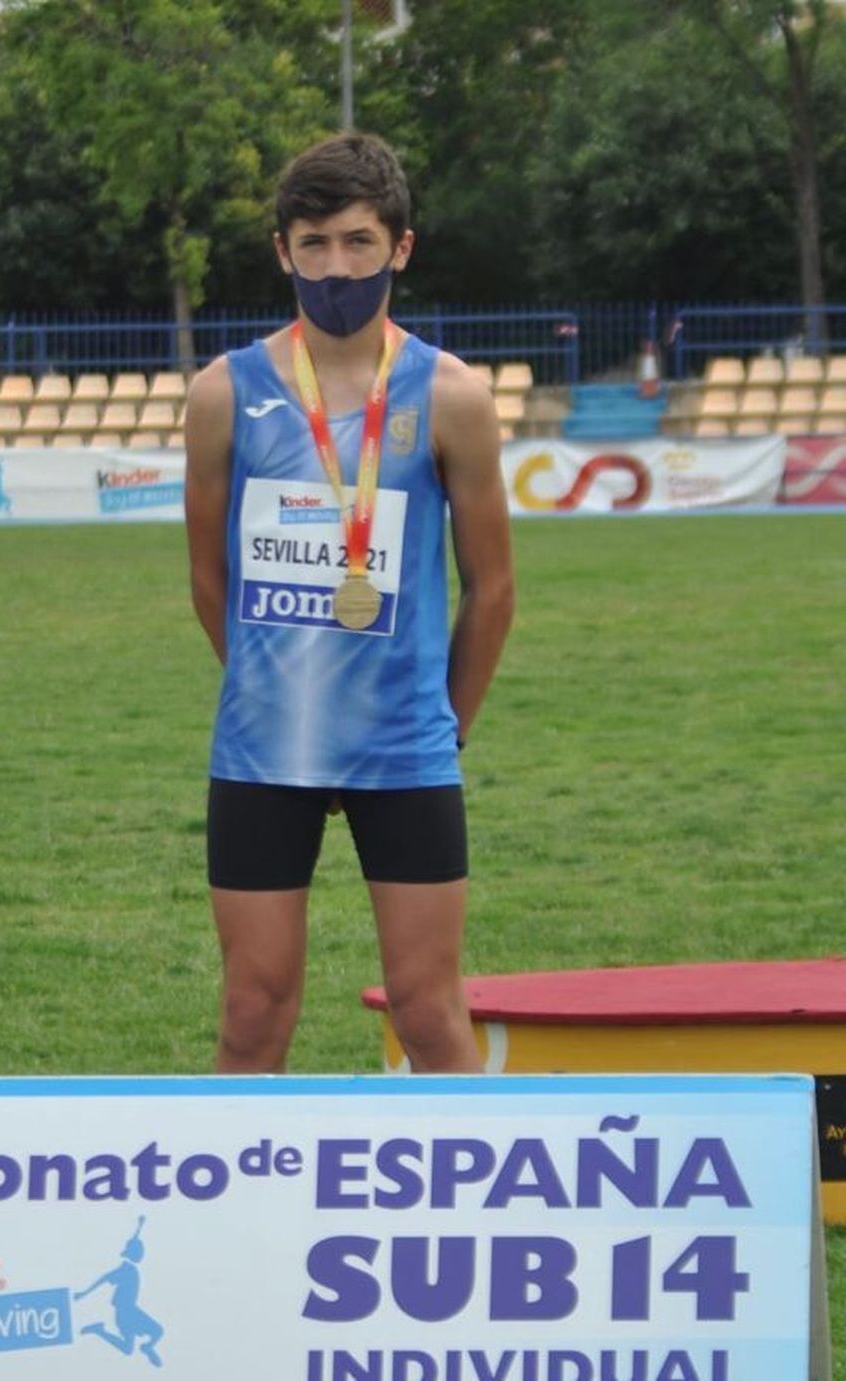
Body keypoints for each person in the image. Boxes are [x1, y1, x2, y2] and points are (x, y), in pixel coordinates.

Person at [184, 133, 514, 1075]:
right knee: (253, 1011)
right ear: (283, 250)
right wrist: (277, 688)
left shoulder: (452, 396)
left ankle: (467, 1214)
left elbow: (493, 589)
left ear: (400, 249)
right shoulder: (223, 394)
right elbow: (210, 582)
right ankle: (237, 1218)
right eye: (316, 242)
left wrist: (443, 724)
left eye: (360, 242)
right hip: (262, 746)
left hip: (404, 746)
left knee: (427, 1011)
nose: (338, 265)